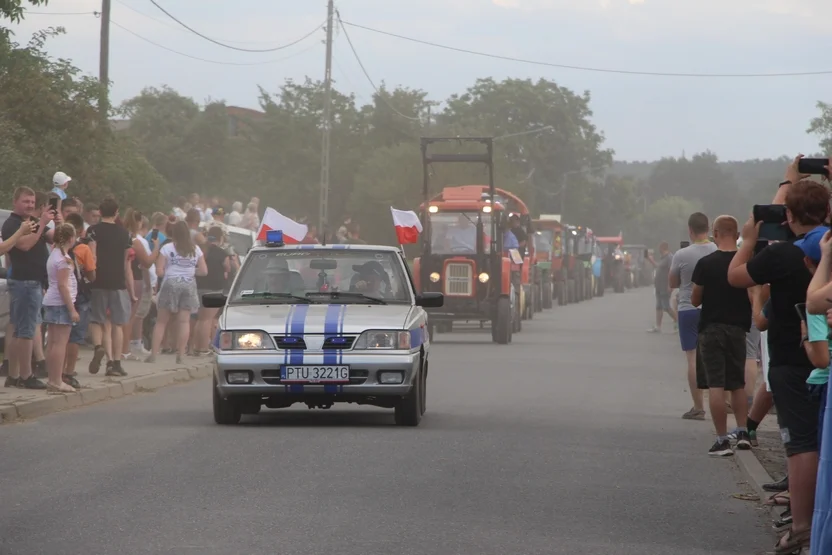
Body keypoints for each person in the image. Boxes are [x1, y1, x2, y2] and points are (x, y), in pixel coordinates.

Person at [727, 159, 823, 554]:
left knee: (800, 445)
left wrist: (749, 238)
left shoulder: (782, 255)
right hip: (823, 355)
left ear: (787, 215)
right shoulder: (826, 245)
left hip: (791, 359)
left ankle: (802, 527)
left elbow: (735, 275)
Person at [690, 216, 752, 456]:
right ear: (735, 233)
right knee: (737, 383)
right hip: (738, 328)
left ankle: (722, 439)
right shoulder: (746, 263)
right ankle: (743, 432)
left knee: (716, 384)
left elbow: (695, 299)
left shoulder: (706, 263)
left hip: (712, 328)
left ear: (715, 232)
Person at [1, 187, 53, 390]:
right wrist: (40, 226)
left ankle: (13, 375)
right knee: (26, 332)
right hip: (25, 283)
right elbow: (24, 245)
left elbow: (54, 237)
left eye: (32, 202)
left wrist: (50, 222)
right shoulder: (13, 223)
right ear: (15, 201)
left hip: (34, 282)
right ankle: (25, 375)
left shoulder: (30, 222)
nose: (30, 205)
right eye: (26, 201)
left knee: (19, 329)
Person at [670, 212, 717, 420]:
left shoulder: (681, 255)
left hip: (687, 308)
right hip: (713, 307)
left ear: (690, 230)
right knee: (716, 357)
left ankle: (698, 406)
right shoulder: (718, 250)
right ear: (708, 228)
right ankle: (721, 403)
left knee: (692, 357)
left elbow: (672, 283)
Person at [147, 221, 206, 365]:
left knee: (161, 321)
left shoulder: (167, 248)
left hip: (170, 283)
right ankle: (181, 354)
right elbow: (204, 271)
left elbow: (159, 271)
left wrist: (170, 270)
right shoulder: (196, 249)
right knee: (184, 321)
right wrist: (191, 271)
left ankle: (153, 354)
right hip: (189, 284)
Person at [86, 197, 133, 377]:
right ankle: (116, 363)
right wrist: (130, 287)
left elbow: (92, 256)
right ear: (116, 212)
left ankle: (100, 349)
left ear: (99, 211)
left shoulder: (93, 231)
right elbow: (126, 263)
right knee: (117, 324)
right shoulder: (125, 233)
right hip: (118, 282)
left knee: (99, 321)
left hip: (99, 280)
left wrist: (91, 277)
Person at [42, 223, 79, 394]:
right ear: (71, 238)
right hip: (61, 303)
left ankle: (52, 379)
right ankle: (57, 380)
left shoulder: (54, 254)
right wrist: (72, 309)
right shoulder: (63, 260)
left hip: (51, 301)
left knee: (52, 343)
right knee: (59, 343)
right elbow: (63, 286)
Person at [62, 213, 95, 389]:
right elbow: (92, 274)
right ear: (81, 231)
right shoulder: (84, 249)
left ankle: (56, 370)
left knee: (59, 335)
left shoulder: (57, 248)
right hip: (80, 295)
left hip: (60, 294)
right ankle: (68, 371)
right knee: (75, 337)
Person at [193, 227, 230, 356]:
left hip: (199, 286)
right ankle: (203, 348)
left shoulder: (201, 250)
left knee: (200, 319)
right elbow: (227, 267)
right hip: (215, 288)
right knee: (207, 320)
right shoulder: (222, 253)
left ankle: (196, 347)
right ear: (220, 238)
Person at [648, 241, 677, 333]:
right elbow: (658, 266)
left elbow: (671, 271)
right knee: (659, 306)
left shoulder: (669, 258)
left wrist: (670, 285)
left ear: (662, 248)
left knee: (666, 306)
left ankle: (678, 322)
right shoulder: (663, 258)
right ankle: (658, 326)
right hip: (659, 286)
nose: (658, 250)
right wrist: (651, 260)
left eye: (659, 248)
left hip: (665, 285)